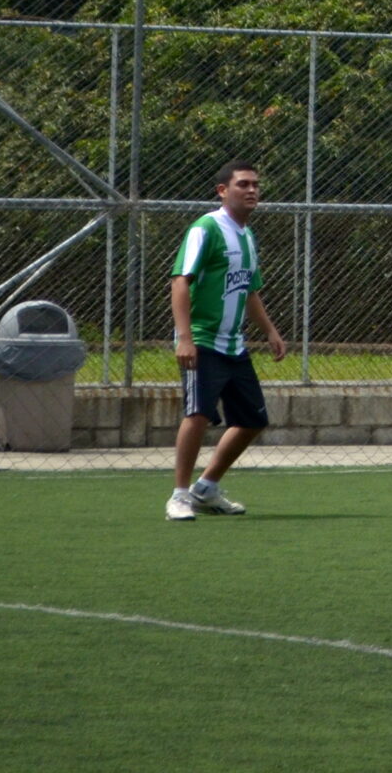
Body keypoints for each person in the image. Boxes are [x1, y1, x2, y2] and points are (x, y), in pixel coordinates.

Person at [166, 162, 287, 521]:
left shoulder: (247, 236)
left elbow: (249, 290)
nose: (252, 191)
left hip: (234, 345)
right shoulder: (206, 228)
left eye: (256, 185)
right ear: (223, 191)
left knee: (252, 419)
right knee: (199, 413)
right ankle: (180, 495)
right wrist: (185, 338)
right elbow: (179, 281)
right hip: (202, 341)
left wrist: (269, 330)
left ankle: (207, 488)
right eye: (243, 184)